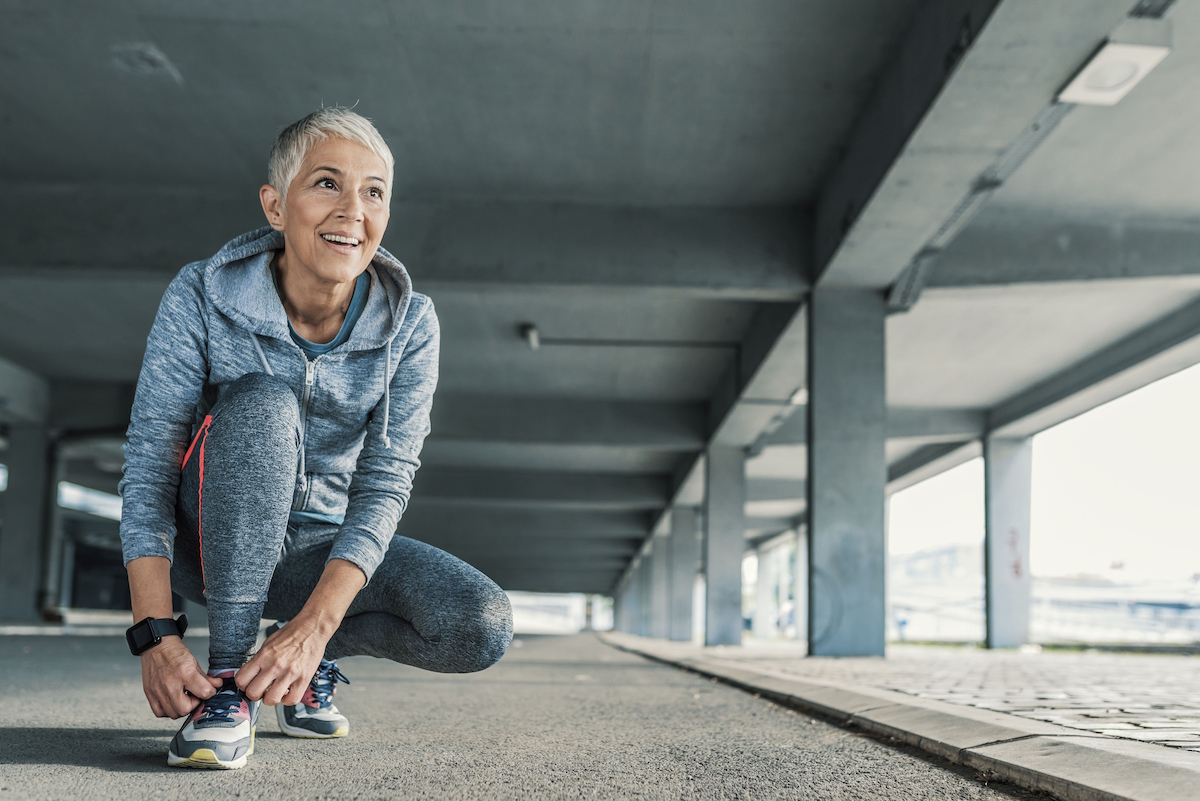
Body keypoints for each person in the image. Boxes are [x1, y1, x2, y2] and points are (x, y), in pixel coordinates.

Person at [118, 107, 513, 770]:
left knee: (479, 626)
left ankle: (298, 663)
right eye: (327, 183)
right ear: (275, 205)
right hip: (209, 543)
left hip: (317, 555)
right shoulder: (200, 293)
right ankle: (223, 690)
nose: (352, 210)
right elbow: (152, 461)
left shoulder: (410, 323)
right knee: (266, 403)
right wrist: (154, 634)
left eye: (374, 191)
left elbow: (386, 478)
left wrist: (314, 629)